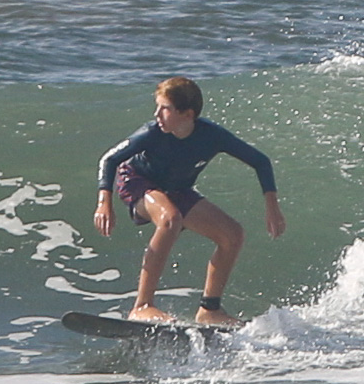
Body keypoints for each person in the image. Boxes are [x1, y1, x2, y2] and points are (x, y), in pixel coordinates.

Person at [93, 76, 285, 326]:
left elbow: (261, 161)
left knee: (232, 235)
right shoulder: (152, 133)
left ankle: (210, 309)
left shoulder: (212, 136)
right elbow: (109, 160)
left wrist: (272, 206)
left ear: (187, 114)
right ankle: (142, 306)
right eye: (158, 107)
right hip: (137, 181)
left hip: (177, 189)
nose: (157, 114)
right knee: (170, 218)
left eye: (165, 108)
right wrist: (103, 201)